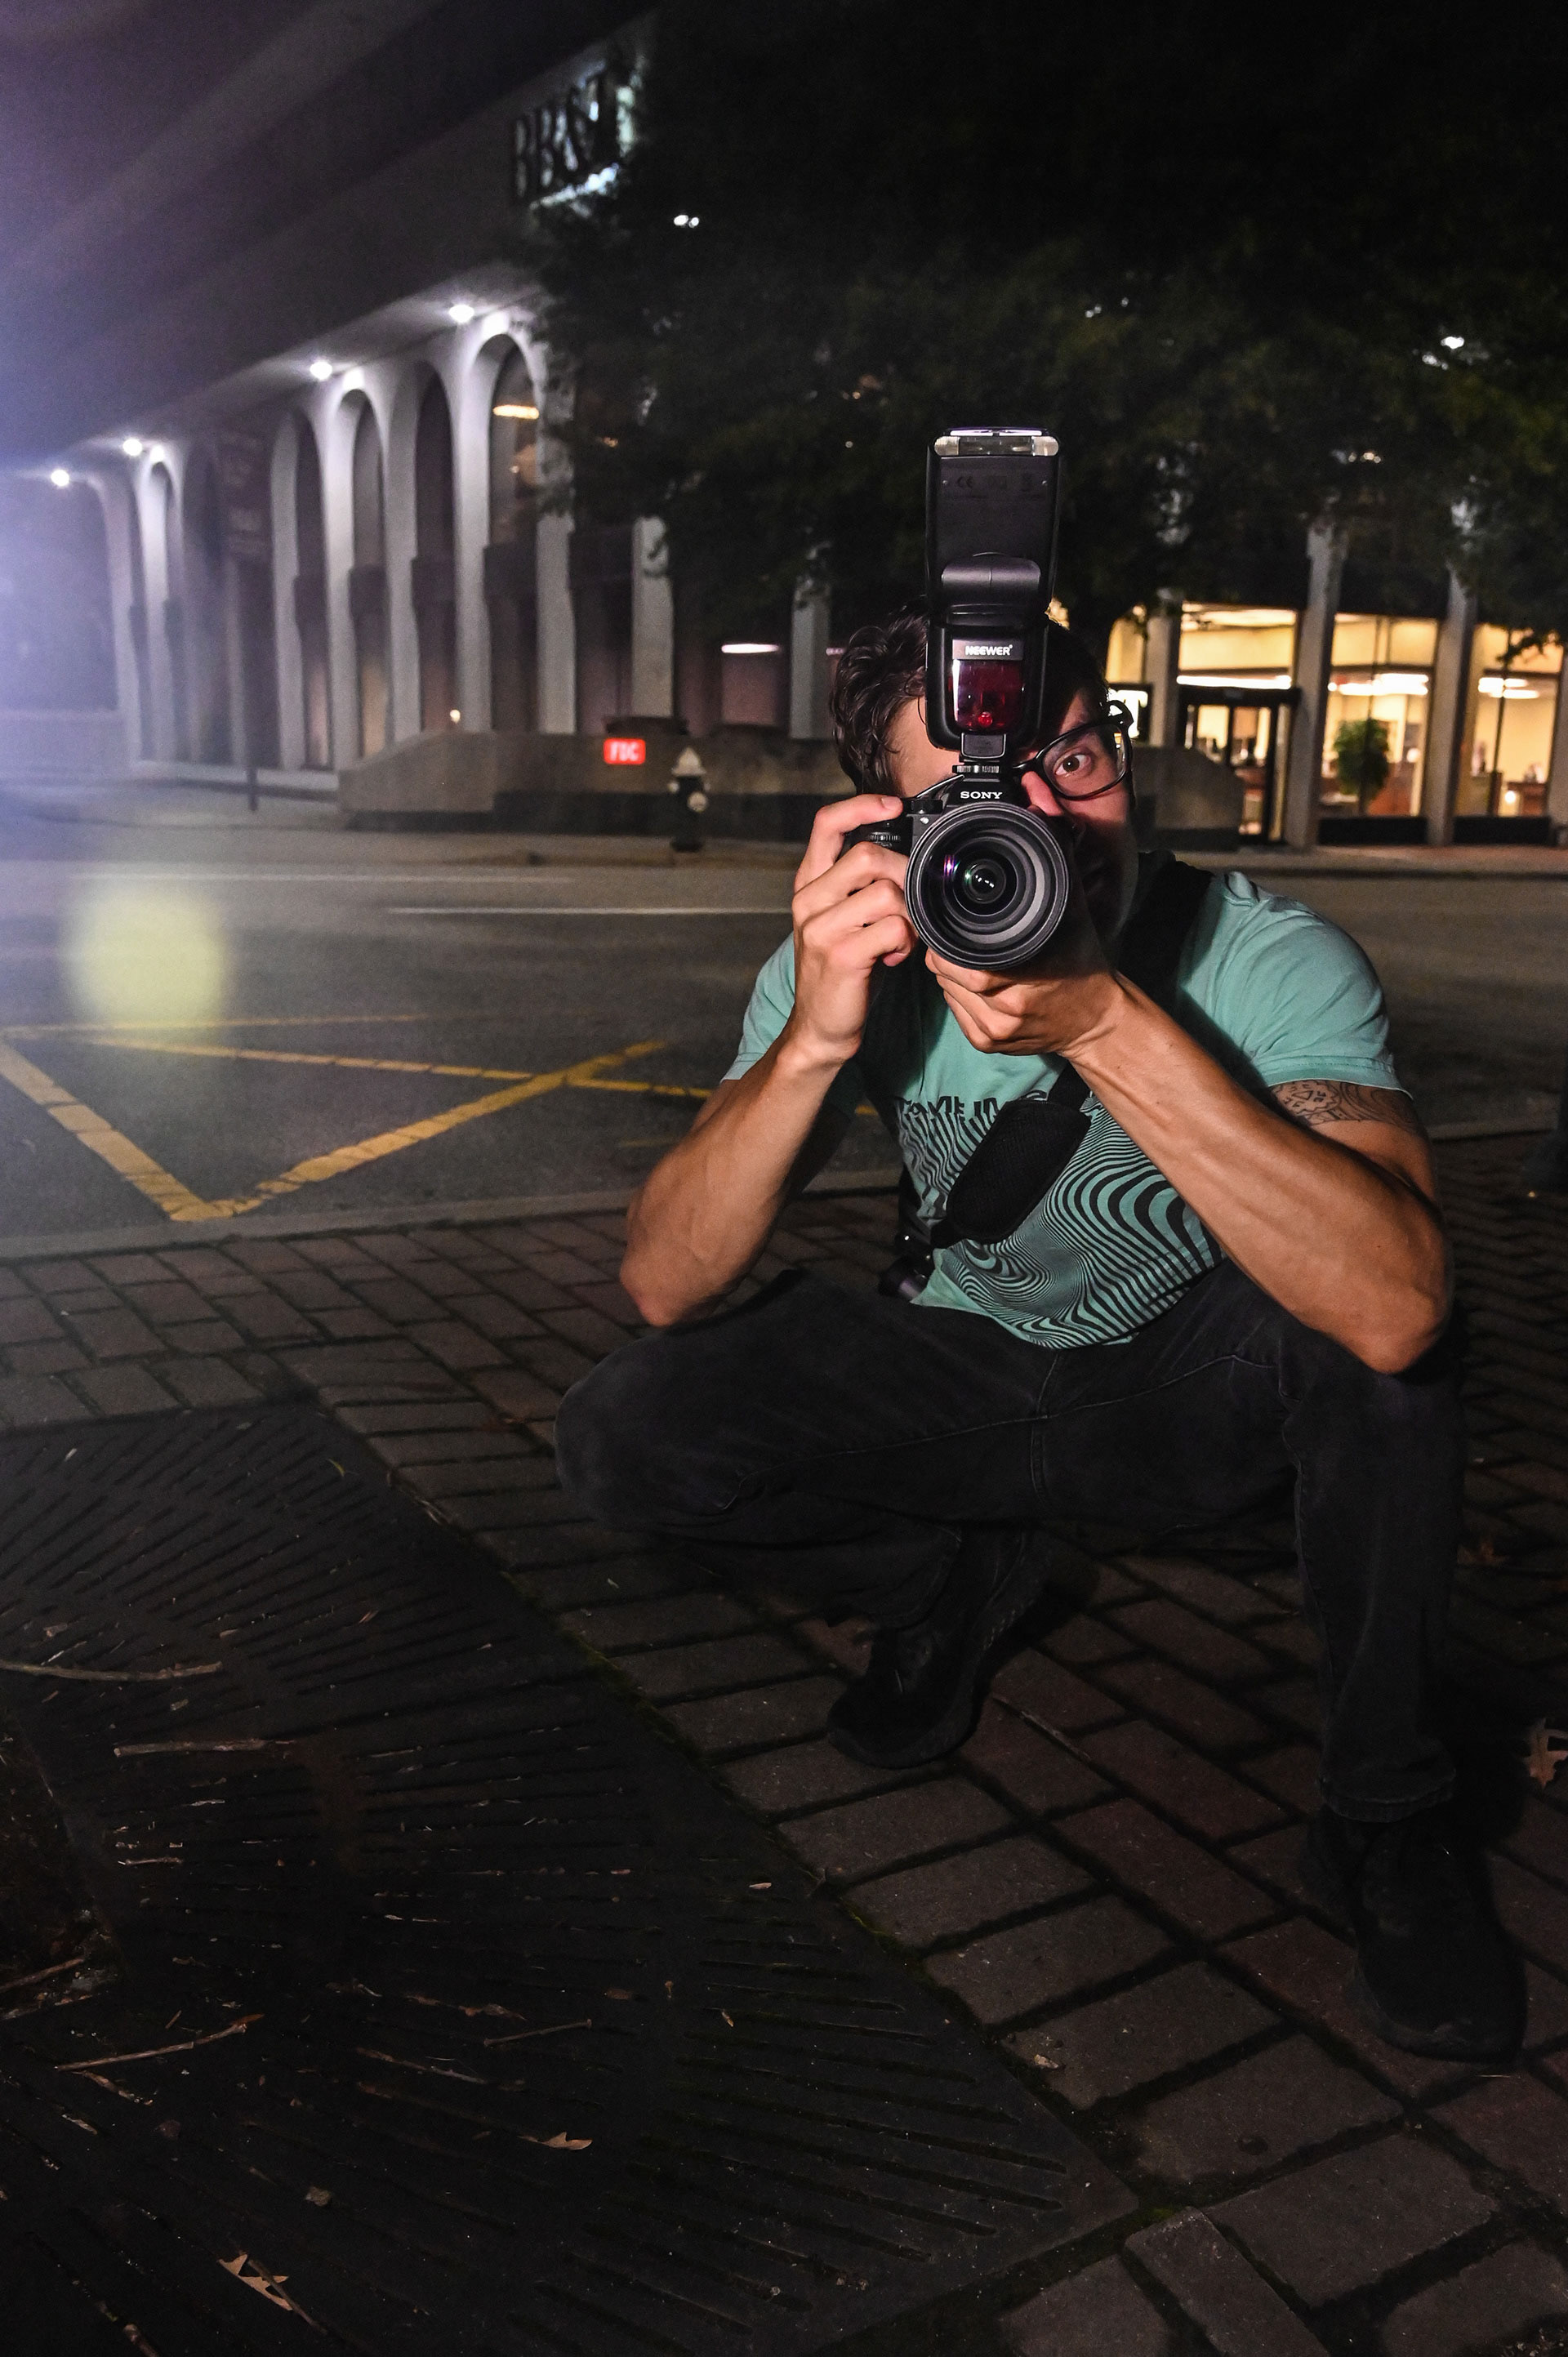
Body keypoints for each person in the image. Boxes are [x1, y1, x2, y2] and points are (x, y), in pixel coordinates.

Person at [556, 611, 1514, 2064]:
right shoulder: (854, 962)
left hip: (1179, 1395)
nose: (1051, 817)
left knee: (1382, 1347)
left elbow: (1399, 1299)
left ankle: (1386, 1817)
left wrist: (1103, 1019)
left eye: (1074, 756)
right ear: (886, 824)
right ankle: (954, 1573)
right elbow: (664, 1278)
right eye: (983, 792)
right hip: (964, 1373)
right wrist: (815, 1039)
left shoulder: (1264, 952)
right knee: (627, 1427)